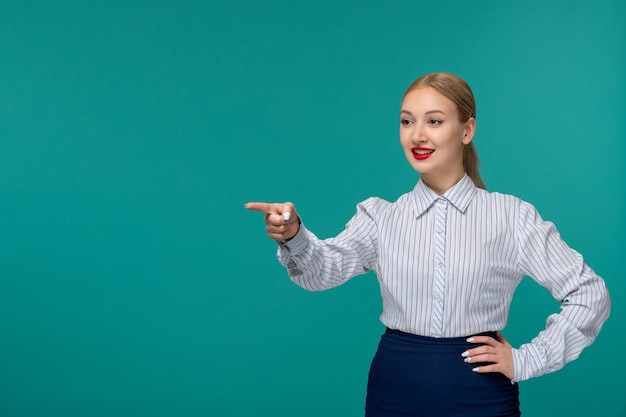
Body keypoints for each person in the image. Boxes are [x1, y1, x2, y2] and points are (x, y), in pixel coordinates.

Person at [245, 72, 611, 417]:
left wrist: (528, 359)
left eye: (434, 121)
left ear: (467, 130)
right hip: (394, 388)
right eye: (407, 121)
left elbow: (589, 293)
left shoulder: (511, 217)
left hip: (480, 392)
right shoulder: (380, 217)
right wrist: (293, 235)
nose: (417, 135)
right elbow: (321, 272)